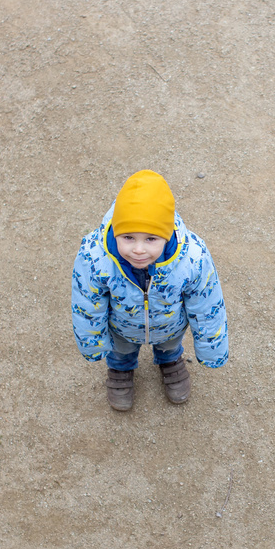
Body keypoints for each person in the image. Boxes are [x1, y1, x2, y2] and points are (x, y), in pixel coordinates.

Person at [71, 170, 228, 410]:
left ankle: (169, 360)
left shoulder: (192, 258)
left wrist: (211, 348)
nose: (138, 250)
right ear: (115, 231)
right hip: (121, 327)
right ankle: (120, 368)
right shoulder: (95, 257)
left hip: (170, 326)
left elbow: (207, 304)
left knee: (170, 344)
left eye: (151, 239)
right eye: (128, 237)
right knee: (121, 350)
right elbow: (86, 302)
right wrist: (92, 342)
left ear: (166, 235)